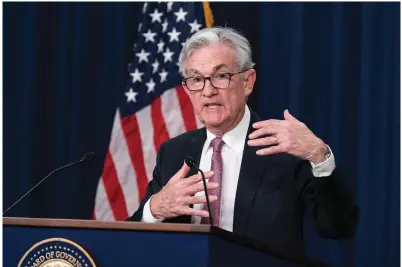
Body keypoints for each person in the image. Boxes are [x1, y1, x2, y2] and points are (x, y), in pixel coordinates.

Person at [126, 27, 358, 253]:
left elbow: (338, 228)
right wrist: (155, 208)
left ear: (248, 81)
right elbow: (131, 237)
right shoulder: (174, 152)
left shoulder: (285, 149)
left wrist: (319, 155)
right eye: (196, 79)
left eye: (221, 76)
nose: (208, 91)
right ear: (187, 89)